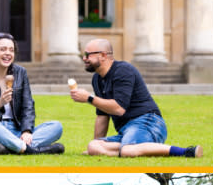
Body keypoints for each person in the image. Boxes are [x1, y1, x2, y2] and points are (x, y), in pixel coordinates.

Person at [71, 38, 201, 158]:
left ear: (103, 55)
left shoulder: (123, 71)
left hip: (148, 122)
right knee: (93, 146)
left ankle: (185, 152)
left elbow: (118, 109)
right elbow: (102, 116)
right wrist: (96, 147)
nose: (84, 58)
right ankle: (141, 148)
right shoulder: (97, 79)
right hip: (126, 131)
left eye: (88, 55)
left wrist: (89, 98)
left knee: (128, 150)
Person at [0, 32, 65, 155]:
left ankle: (9, 147)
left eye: (11, 50)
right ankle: (31, 150)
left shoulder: (20, 72)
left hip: (15, 130)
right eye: (3, 49)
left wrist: (26, 130)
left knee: (56, 126)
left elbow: (28, 105)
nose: (8, 53)